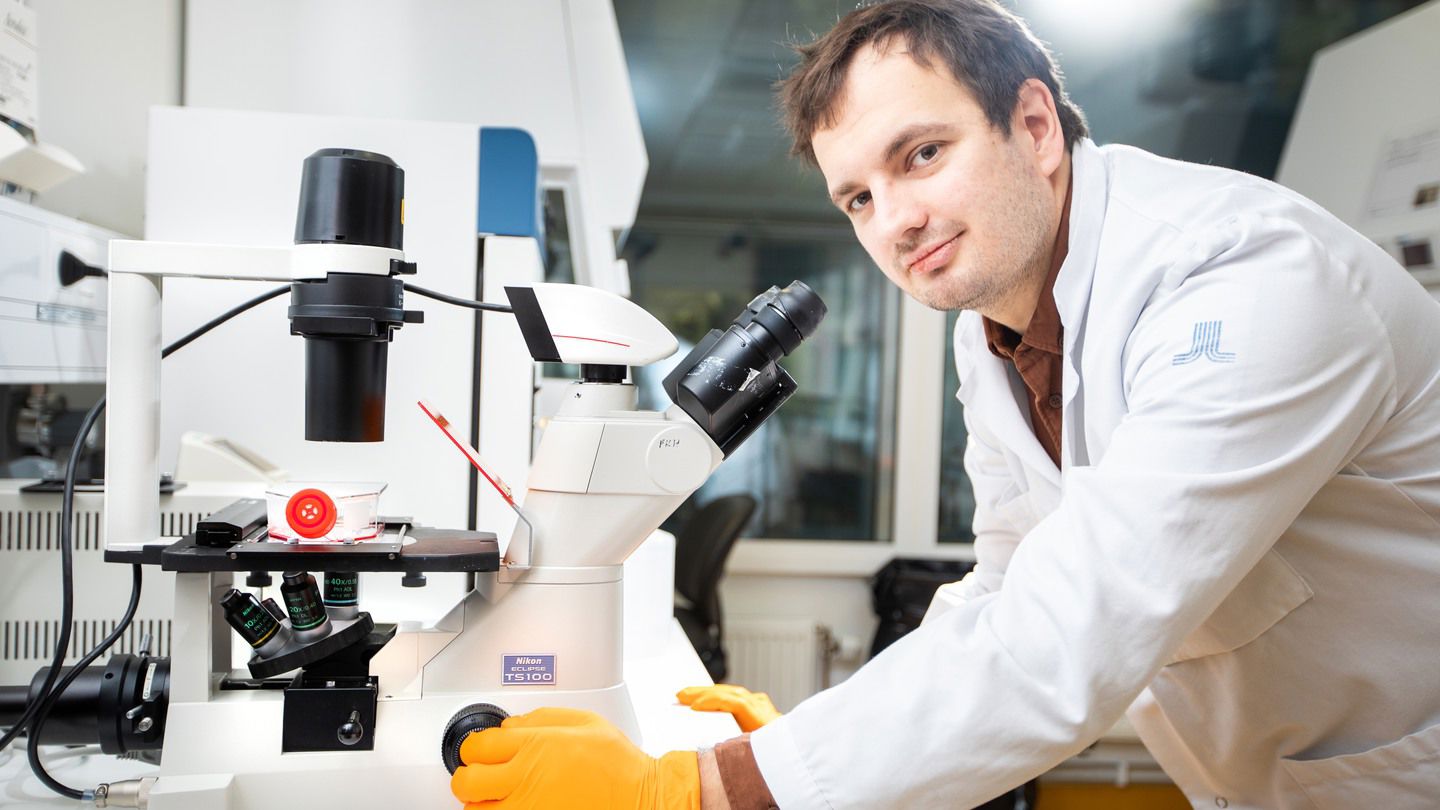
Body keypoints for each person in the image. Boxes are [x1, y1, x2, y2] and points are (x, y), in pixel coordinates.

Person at [450, 1, 1440, 807]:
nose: (896, 221)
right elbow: (1009, 584)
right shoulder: (995, 326)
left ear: (1036, 128)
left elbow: (1070, 631)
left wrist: (714, 788)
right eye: (858, 198)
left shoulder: (1245, 282)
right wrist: (818, 748)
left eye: (921, 154)